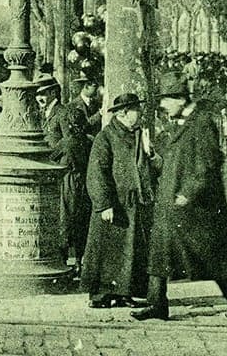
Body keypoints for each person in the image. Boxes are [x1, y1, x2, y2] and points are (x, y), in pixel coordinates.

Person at [135, 74, 227, 320]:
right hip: (171, 200)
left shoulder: (201, 122)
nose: (163, 106)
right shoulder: (179, 123)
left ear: (179, 99)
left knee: (210, 256)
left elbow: (208, 163)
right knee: (160, 252)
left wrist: (188, 193)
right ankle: (157, 304)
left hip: (198, 205)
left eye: (165, 100)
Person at [81, 93, 152, 309]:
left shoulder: (140, 135)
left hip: (133, 204)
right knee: (106, 252)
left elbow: (150, 167)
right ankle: (100, 296)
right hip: (113, 206)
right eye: (136, 110)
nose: (140, 114)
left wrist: (152, 154)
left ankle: (124, 293)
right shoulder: (106, 137)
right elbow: (96, 172)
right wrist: (103, 204)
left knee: (129, 252)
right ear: (123, 113)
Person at [41, 75, 94, 271]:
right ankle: (77, 261)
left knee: (66, 219)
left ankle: (65, 260)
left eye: (43, 92)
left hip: (66, 178)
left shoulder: (66, 135)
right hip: (75, 178)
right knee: (76, 220)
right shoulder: (86, 140)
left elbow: (59, 149)